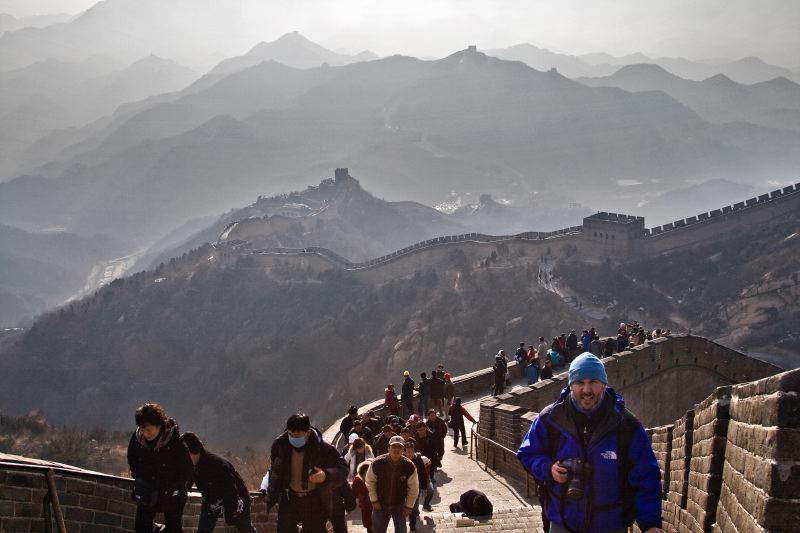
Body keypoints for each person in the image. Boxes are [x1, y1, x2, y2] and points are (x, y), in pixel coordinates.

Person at [516, 353, 663, 533]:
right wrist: (548, 469)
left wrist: (650, 524)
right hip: (564, 523)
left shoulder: (626, 425)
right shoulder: (551, 419)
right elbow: (527, 453)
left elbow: (646, 475)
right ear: (570, 385)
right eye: (579, 383)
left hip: (611, 526)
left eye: (593, 381)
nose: (586, 390)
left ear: (604, 384)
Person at [263, 413, 348, 533]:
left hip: (314, 500)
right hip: (289, 499)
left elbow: (343, 469)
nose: (293, 438)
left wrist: (326, 475)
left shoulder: (323, 449)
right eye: (290, 434)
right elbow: (275, 468)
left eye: (297, 435)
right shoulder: (280, 446)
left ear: (307, 433)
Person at [127, 403, 193, 533]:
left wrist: (175, 485)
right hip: (147, 490)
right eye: (142, 429)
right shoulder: (137, 438)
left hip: (172, 493)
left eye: (149, 429)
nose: (145, 433)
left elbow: (187, 468)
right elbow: (132, 459)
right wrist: (140, 478)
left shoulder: (174, 441)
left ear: (159, 425)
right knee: (141, 527)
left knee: (173, 528)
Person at [181, 432, 255, 533]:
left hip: (237, 498)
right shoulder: (192, 464)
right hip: (211, 500)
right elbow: (190, 475)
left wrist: (230, 514)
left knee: (245, 530)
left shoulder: (218, 465)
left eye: (186, 455)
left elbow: (231, 489)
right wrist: (187, 484)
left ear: (196, 451)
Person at [365, 435, 419, 533]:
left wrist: (409, 506)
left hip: (399, 504)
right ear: (388, 448)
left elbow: (414, 488)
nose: (396, 450)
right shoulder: (377, 463)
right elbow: (370, 482)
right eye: (394, 446)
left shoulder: (409, 466)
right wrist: (374, 500)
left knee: (401, 530)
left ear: (403, 450)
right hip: (380, 504)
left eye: (400, 447)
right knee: (378, 530)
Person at [404, 438, 434, 527]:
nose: (410, 454)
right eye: (408, 451)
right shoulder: (401, 460)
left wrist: (424, 488)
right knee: (408, 507)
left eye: (412, 452)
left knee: (413, 507)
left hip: (416, 487)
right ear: (404, 452)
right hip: (403, 488)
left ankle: (412, 526)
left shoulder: (418, 459)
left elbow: (423, 474)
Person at [351, 460, 374, 533]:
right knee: (368, 524)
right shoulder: (357, 479)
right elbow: (354, 492)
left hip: (376, 505)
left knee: (377, 524)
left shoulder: (376, 479)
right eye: (365, 472)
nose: (367, 474)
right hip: (366, 506)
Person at [425, 409, 448, 476]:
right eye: (431, 415)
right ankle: (435, 465)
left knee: (441, 452)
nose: (433, 416)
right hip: (432, 441)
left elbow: (445, 429)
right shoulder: (427, 423)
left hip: (440, 440)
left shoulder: (440, 421)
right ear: (428, 416)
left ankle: (438, 461)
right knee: (434, 454)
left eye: (434, 415)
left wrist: (442, 436)